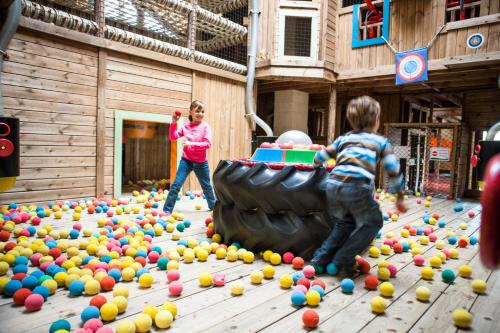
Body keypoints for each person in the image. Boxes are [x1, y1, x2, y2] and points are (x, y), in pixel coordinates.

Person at [310, 95, 407, 275]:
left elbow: (320, 156)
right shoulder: (380, 141)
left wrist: (316, 167)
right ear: (376, 120)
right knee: (373, 221)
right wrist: (399, 195)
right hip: (356, 186)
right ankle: (343, 258)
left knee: (345, 222)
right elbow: (393, 169)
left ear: (351, 120)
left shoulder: (343, 139)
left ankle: (319, 258)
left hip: (332, 185)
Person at [163, 100, 217, 213]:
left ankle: (215, 208)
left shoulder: (205, 127)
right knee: (176, 185)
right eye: (197, 111)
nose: (200, 114)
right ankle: (166, 211)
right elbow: (173, 137)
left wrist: (191, 144)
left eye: (202, 111)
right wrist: (173, 123)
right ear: (191, 112)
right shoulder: (186, 127)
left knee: (207, 186)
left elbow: (207, 144)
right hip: (186, 161)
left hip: (201, 163)